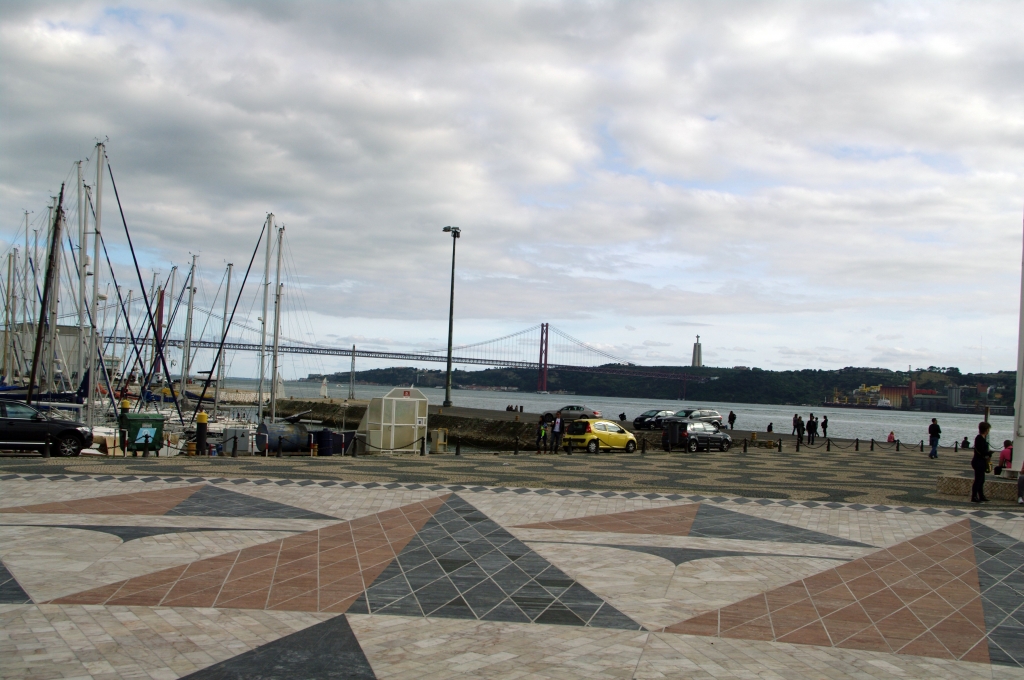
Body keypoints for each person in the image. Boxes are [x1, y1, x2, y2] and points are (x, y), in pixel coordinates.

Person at [972, 421, 993, 503]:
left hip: (981, 461)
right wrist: (989, 453)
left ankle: (981, 495)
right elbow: (982, 451)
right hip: (978, 461)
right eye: (988, 429)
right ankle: (974, 496)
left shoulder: (983, 438)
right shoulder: (979, 438)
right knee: (978, 480)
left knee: (981, 480)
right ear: (986, 430)